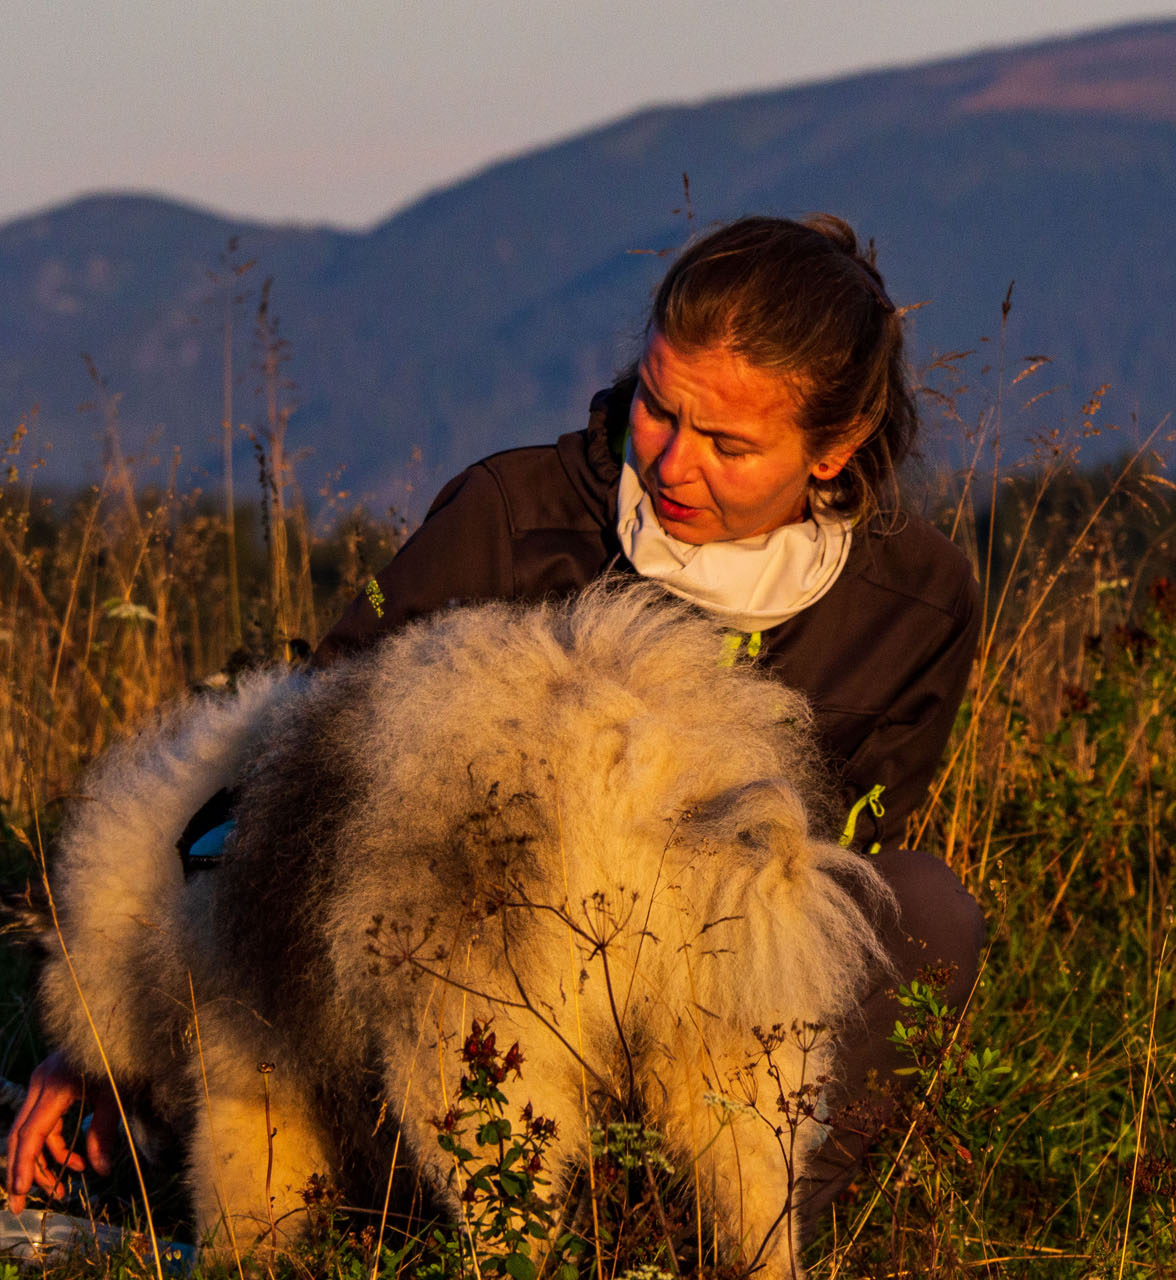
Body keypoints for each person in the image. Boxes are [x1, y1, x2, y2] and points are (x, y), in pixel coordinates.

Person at [7, 213, 986, 1228]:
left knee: (920, 908)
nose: (672, 462)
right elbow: (280, 775)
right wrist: (104, 1031)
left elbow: (843, 861)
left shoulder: (915, 600)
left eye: (729, 443)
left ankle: (721, 1230)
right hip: (447, 1036)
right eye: (658, 406)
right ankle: (470, 1220)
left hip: (708, 1019)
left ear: (837, 448)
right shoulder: (511, 517)